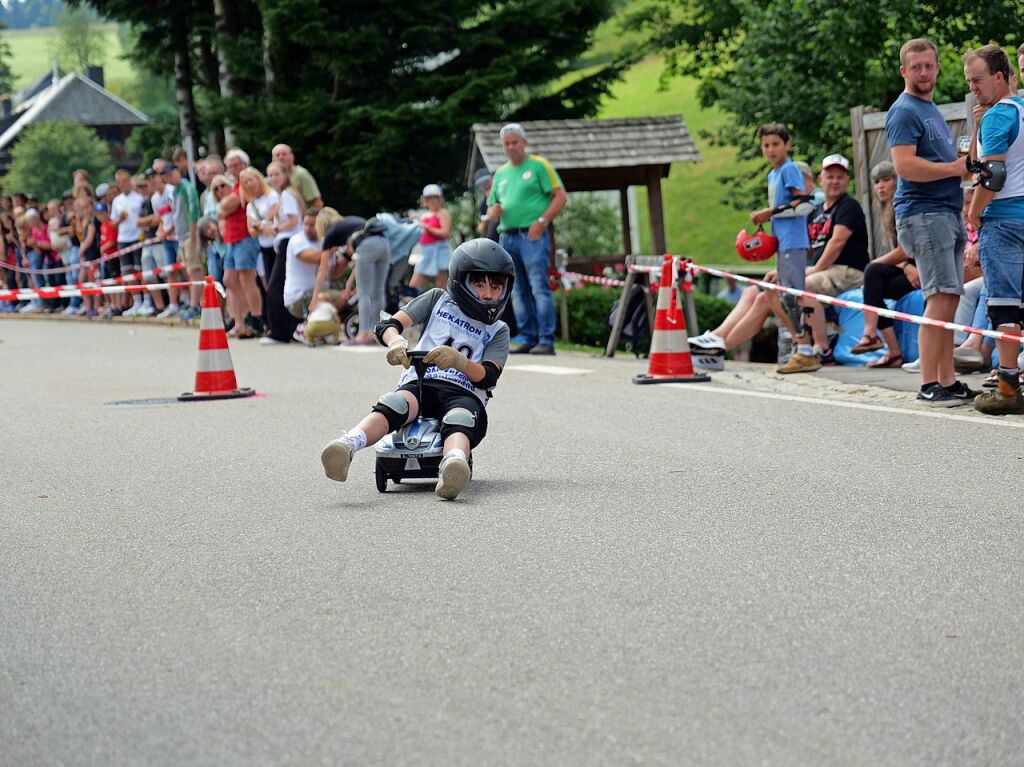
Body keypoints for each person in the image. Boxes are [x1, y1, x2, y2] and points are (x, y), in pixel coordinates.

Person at [320, 238, 514, 501]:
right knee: (395, 404)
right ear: (460, 281)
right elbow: (388, 325)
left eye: (496, 286)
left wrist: (459, 362)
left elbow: (488, 375)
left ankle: (453, 464)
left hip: (464, 393)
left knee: (459, 418)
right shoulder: (437, 301)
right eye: (478, 284)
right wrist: (395, 342)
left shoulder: (497, 330)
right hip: (422, 381)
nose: (488, 294)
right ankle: (347, 445)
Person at [886, 38, 975, 407]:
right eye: (916, 67)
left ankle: (947, 380)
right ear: (904, 71)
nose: (924, 72)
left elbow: (928, 158)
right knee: (938, 298)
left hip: (945, 211)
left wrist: (958, 162)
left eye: (929, 65)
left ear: (938, 67)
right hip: (924, 213)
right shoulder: (904, 110)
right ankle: (928, 383)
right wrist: (955, 168)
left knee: (950, 297)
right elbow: (904, 166)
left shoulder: (929, 108)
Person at [963, 45, 1024, 415]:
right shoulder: (1016, 111)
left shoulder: (1000, 116)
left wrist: (974, 211)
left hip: (1003, 219)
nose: (973, 87)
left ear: (999, 77)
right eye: (969, 81)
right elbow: (974, 159)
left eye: (978, 80)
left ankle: (1007, 388)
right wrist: (977, 123)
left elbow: (992, 173)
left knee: (1003, 306)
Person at [778, 154, 869, 373]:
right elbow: (802, 247)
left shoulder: (849, 206)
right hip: (825, 271)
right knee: (769, 290)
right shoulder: (817, 212)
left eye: (840, 177)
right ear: (821, 179)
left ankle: (822, 349)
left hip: (849, 270)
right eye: (830, 176)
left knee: (805, 285)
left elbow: (837, 243)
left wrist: (811, 271)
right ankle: (719, 341)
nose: (835, 181)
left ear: (847, 180)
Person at [487, 123, 567, 355]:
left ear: (524, 143)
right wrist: (493, 212)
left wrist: (541, 221)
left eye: (514, 142)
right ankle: (528, 336)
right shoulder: (501, 173)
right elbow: (493, 204)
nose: (511, 147)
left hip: (531, 235)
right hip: (507, 235)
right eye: (506, 144)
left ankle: (546, 338)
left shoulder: (539, 165)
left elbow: (560, 197)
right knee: (517, 289)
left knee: (538, 286)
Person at [748, 123, 814, 361]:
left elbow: (803, 202)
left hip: (793, 240)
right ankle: (798, 342)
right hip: (781, 240)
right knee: (783, 293)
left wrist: (770, 212)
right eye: (766, 145)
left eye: (776, 144)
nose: (771, 149)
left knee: (793, 293)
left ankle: (805, 346)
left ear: (787, 145)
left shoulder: (789, 169)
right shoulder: (772, 174)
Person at [852, 160, 918, 367]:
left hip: (926, 271)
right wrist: (906, 267)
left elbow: (906, 251)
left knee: (872, 272)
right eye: (876, 181)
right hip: (911, 270)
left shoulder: (903, 206)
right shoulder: (886, 210)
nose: (880, 186)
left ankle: (874, 337)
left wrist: (902, 265)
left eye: (886, 180)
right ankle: (890, 350)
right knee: (873, 284)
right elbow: (901, 256)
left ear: (897, 181)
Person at [219, 149, 264, 338]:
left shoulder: (248, 180)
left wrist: (225, 206)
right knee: (229, 279)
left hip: (245, 236)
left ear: (244, 164)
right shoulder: (236, 184)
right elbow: (222, 208)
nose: (230, 169)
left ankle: (255, 320)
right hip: (231, 237)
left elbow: (228, 205)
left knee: (247, 279)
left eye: (234, 165)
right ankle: (243, 319)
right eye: (228, 166)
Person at [260, 161, 304, 344]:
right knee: (284, 287)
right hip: (288, 243)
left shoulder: (286, 195)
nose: (273, 178)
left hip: (288, 242)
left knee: (275, 288)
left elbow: (293, 221)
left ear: (285, 175)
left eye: (277, 174)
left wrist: (274, 228)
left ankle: (279, 331)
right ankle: (289, 327)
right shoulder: (285, 195)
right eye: (270, 175)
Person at [161, 159, 203, 320]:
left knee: (194, 270)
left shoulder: (186, 187)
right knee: (189, 271)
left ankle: (195, 305)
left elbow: (193, 209)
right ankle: (196, 302)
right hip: (182, 236)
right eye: (166, 175)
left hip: (189, 235)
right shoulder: (176, 190)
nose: (169, 177)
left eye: (171, 173)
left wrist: (193, 234)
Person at [111, 168, 145, 315]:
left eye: (125, 180)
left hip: (136, 237)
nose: (123, 184)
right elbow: (112, 222)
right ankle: (136, 301)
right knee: (128, 272)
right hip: (123, 239)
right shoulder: (116, 201)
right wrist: (120, 219)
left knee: (140, 270)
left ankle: (147, 300)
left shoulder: (139, 198)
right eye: (120, 182)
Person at [410, 184, 452, 291]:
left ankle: (440, 306)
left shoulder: (443, 213)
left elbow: (445, 233)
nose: (433, 201)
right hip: (426, 251)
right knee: (414, 283)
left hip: (440, 251)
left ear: (440, 199)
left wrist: (427, 227)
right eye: (429, 198)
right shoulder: (425, 215)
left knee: (441, 286)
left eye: (435, 198)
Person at [271, 144, 323, 211]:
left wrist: (309, 219)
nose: (281, 157)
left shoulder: (301, 174)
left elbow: (317, 202)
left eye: (284, 154)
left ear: (292, 156)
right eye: (277, 155)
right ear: (273, 159)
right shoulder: (272, 179)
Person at [474, 169, 498, 241]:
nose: (485, 185)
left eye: (487, 182)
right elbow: (481, 229)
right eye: (481, 184)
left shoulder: (502, 196)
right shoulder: (483, 204)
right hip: (493, 242)